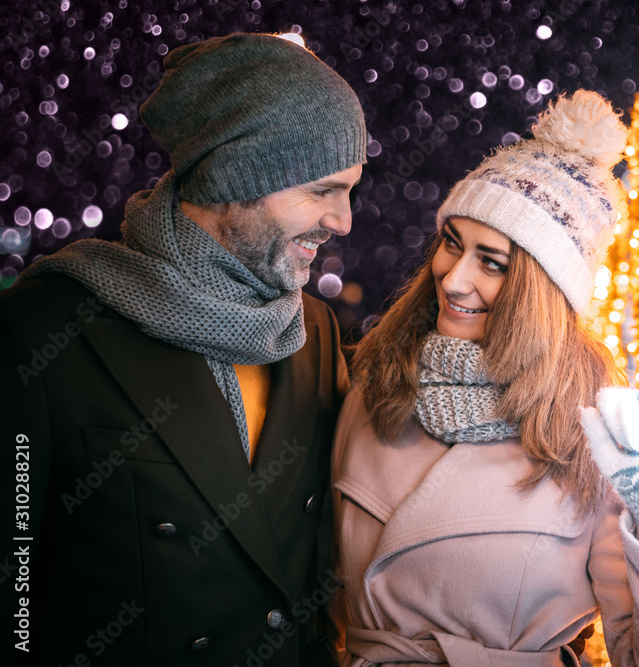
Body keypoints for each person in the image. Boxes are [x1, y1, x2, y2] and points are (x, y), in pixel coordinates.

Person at [0, 33, 365, 666]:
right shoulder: (44, 331)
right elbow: (15, 592)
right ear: (235, 177)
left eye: (351, 190)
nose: (343, 220)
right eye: (321, 191)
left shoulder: (313, 332)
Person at [330, 90, 639, 666]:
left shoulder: (592, 439)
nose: (453, 279)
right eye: (451, 244)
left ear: (543, 293)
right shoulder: (375, 385)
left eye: (492, 263)